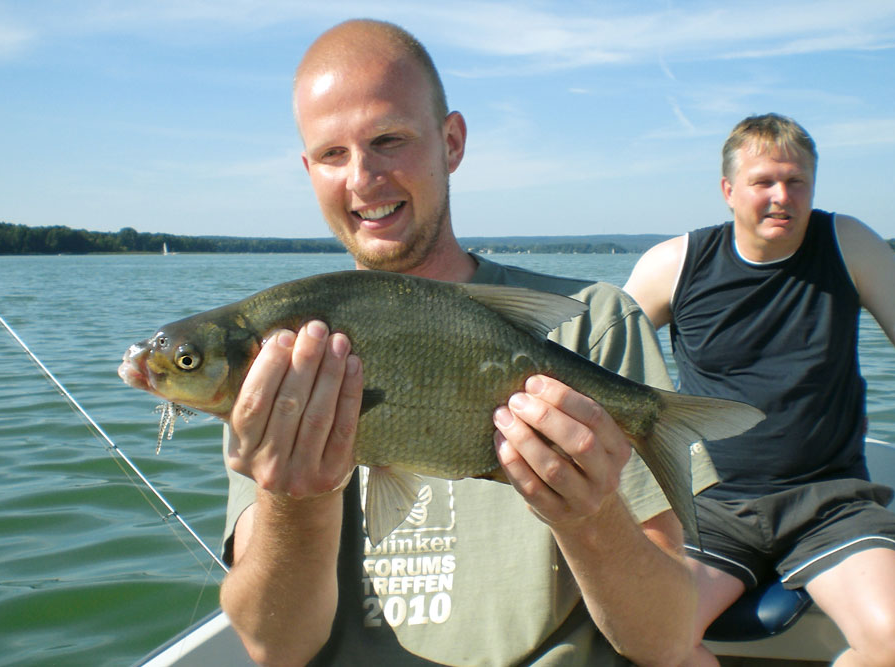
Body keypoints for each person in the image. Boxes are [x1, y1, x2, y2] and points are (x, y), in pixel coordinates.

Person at [217, 19, 719, 666]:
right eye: (332, 155)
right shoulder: (283, 359)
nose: (363, 176)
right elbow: (273, 646)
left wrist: (590, 518)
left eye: (388, 139)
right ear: (308, 168)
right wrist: (295, 500)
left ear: (451, 141)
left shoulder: (595, 324)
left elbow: (669, 639)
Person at [624, 112, 895, 666]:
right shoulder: (674, 265)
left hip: (829, 501)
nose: (781, 197)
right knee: (649, 642)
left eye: (797, 182)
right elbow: (598, 365)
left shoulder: (847, 244)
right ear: (728, 190)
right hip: (708, 505)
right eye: (763, 181)